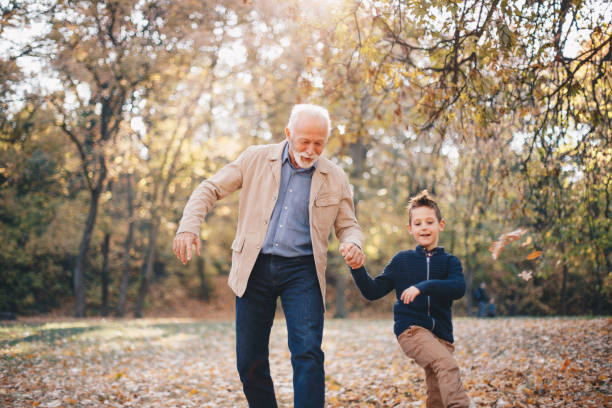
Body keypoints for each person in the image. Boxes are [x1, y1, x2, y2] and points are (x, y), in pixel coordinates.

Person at [173, 104, 365, 408]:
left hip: (303, 272)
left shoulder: (335, 177)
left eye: (319, 143)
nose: (311, 149)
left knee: (308, 353)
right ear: (288, 133)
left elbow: (349, 226)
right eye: (304, 141)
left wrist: (354, 244)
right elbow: (209, 188)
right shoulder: (255, 158)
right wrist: (188, 227)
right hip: (254, 267)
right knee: (249, 360)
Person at [345, 190, 470, 408]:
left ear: (441, 225)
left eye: (430, 222)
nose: (424, 227)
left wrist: (423, 287)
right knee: (447, 366)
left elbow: (458, 288)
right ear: (410, 229)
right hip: (411, 330)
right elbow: (373, 291)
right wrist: (357, 268)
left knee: (438, 391)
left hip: (442, 335)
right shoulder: (402, 261)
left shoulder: (451, 262)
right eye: (418, 223)